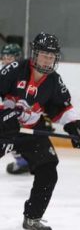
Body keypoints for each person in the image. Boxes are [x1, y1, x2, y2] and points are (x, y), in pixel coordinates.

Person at [0, 32, 80, 230]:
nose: (48, 60)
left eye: (52, 57)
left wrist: (75, 127)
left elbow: (62, 107)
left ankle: (32, 218)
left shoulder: (53, 81)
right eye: (44, 55)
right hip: (4, 129)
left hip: (31, 131)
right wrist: (4, 115)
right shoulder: (15, 69)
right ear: (35, 54)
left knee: (48, 170)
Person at [1, 43, 31, 175]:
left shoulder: (24, 74)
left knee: (11, 132)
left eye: (10, 56)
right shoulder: (4, 74)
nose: (6, 59)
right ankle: (24, 161)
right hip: (13, 113)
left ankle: (27, 161)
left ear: (18, 58)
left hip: (25, 113)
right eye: (4, 56)